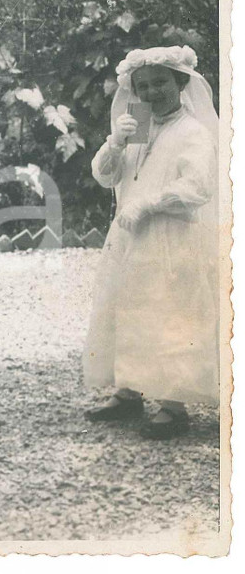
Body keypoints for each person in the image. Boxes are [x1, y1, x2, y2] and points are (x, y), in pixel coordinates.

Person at [83, 45, 219, 440]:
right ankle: (128, 391)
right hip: (131, 235)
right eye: (142, 86)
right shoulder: (138, 125)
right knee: (124, 307)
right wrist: (116, 144)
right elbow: (106, 177)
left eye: (160, 82)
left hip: (171, 235)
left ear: (180, 82)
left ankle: (173, 405)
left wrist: (148, 203)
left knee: (168, 313)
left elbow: (197, 188)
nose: (151, 92)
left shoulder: (193, 131)